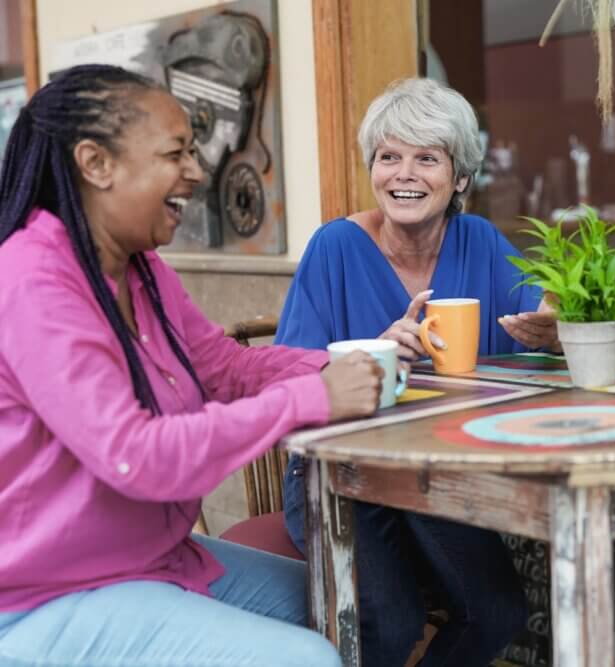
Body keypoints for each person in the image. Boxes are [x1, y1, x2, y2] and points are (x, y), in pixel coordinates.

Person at [0, 64, 386, 667]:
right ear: (95, 164)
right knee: (303, 658)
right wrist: (316, 398)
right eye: (175, 153)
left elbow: (225, 367)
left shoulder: (141, 271)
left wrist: (349, 364)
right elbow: (137, 455)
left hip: (147, 561)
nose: (197, 172)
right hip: (45, 596)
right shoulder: (31, 283)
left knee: (345, 604)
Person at [278, 77, 555, 665]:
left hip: (434, 472)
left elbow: (539, 316)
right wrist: (368, 356)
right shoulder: (334, 247)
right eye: (389, 157)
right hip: (337, 474)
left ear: (459, 178)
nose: (404, 174)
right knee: (389, 619)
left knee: (499, 611)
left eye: (427, 158)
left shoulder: (479, 240)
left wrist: (554, 323)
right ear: (372, 168)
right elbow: (283, 378)